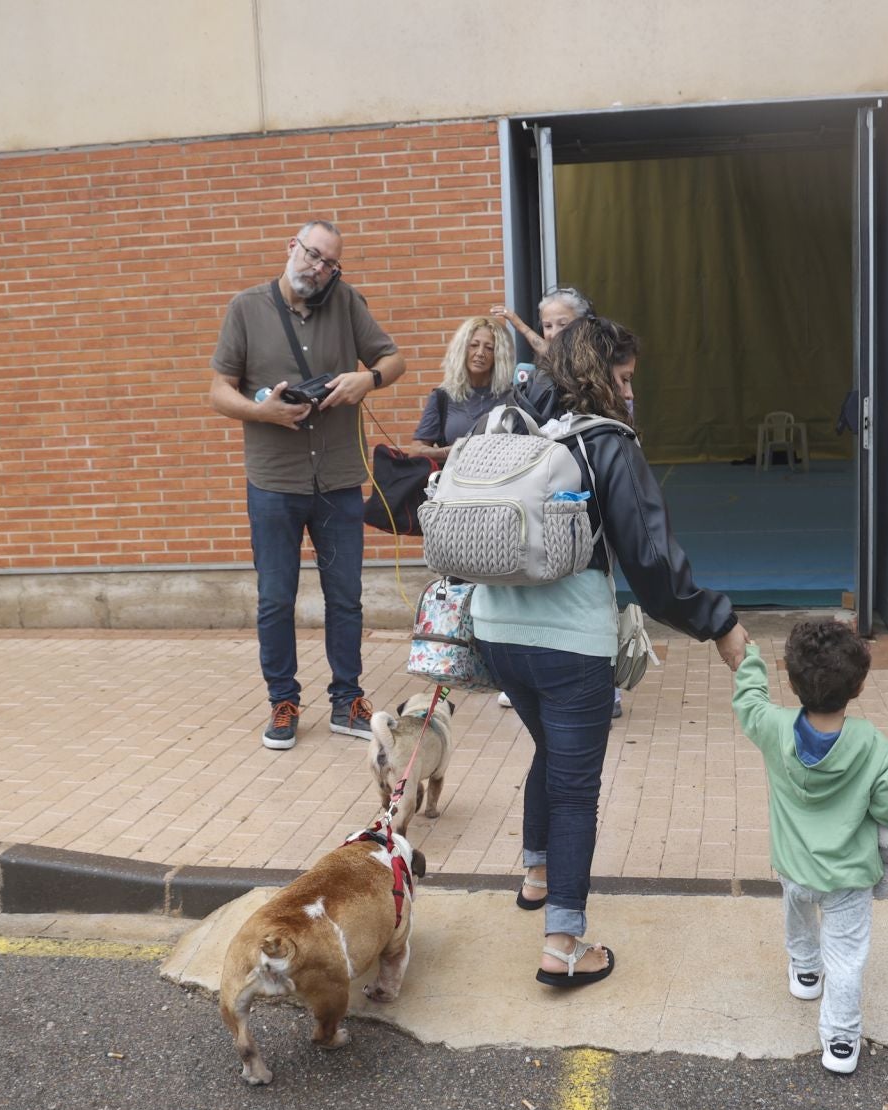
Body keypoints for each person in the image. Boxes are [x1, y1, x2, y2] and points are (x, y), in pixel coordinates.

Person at [473, 317, 749, 987]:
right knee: (575, 791)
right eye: (624, 380)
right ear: (600, 376)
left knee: (552, 749)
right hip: (569, 646)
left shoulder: (511, 427)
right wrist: (719, 623)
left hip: (493, 635)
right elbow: (652, 566)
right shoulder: (607, 444)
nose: (630, 395)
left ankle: (537, 873)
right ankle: (564, 947)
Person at [207, 220, 407, 748]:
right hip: (274, 481)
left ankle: (348, 701)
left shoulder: (346, 302)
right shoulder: (245, 308)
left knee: (346, 598)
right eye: (312, 254)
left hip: (339, 478)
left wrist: (370, 378)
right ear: (290, 247)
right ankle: (283, 702)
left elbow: (394, 359)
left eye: (329, 263)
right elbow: (217, 391)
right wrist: (262, 412)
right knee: (276, 598)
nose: (317, 269)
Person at [732, 618, 888, 1075]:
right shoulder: (872, 744)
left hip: (793, 867)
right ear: (858, 686)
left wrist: (749, 660)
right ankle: (839, 1042)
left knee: (797, 913)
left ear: (792, 681)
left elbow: (749, 703)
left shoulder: (774, 728)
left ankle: (805, 971)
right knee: (848, 959)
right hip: (849, 878)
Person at [491, 286, 629, 719]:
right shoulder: (540, 383)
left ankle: (598, 683)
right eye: (547, 325)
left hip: (580, 521)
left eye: (561, 325)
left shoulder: (591, 388)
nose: (552, 333)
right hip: (555, 522)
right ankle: (567, 681)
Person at [404, 316, 514, 462]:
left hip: (499, 481)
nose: (480, 353)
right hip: (455, 481)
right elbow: (416, 451)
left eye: (489, 348)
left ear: (499, 355)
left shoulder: (512, 396)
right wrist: (454, 451)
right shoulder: (442, 397)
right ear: (462, 349)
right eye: (474, 345)